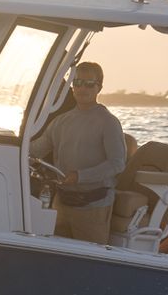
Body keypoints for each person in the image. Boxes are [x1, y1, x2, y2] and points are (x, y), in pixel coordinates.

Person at [28, 60, 126, 245]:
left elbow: (117, 163)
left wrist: (79, 176)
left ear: (99, 87)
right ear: (72, 86)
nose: (83, 88)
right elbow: (36, 150)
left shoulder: (109, 122)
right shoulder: (60, 121)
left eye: (89, 84)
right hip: (61, 203)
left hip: (93, 206)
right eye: (78, 83)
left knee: (92, 264)